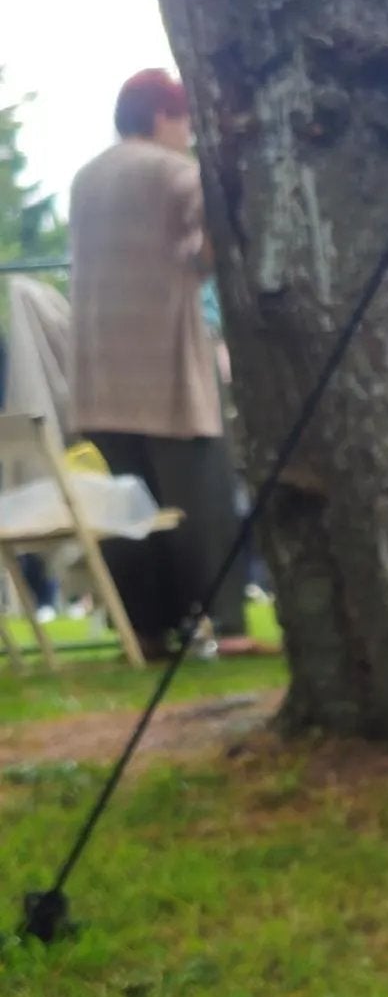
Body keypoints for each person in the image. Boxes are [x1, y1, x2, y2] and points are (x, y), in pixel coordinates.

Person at [68, 68, 251, 655]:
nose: (189, 134)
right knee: (203, 502)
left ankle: (147, 631)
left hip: (99, 370)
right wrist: (198, 265)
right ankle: (224, 625)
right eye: (184, 120)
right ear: (162, 117)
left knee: (129, 511)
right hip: (167, 364)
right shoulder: (174, 171)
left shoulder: (84, 178)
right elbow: (221, 226)